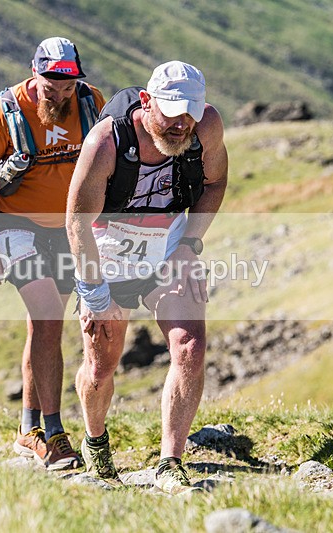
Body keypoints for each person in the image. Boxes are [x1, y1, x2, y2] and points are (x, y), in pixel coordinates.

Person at [66, 61, 228, 492]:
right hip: (106, 258)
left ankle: (170, 462)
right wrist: (94, 295)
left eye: (190, 112)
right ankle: (95, 440)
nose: (181, 124)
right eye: (171, 112)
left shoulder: (207, 127)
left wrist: (190, 245)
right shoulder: (106, 142)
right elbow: (77, 224)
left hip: (167, 251)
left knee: (190, 346)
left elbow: (215, 183)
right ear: (146, 102)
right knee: (100, 366)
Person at [0, 37, 105, 470]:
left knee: (42, 327)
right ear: (34, 73)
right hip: (17, 225)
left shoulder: (90, 102)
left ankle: (27, 430)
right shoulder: (6, 110)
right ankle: (55, 434)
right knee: (47, 319)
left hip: (69, 229)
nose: (60, 94)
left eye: (67, 86)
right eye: (51, 87)